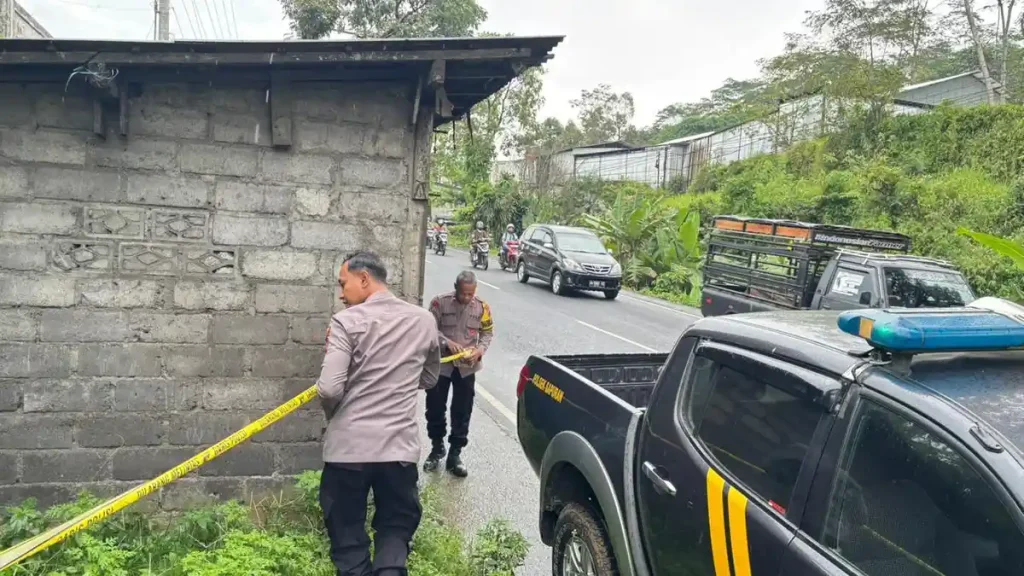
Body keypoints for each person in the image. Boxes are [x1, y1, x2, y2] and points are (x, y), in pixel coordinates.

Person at [317, 251, 441, 576]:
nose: (342, 295)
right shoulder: (424, 320)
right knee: (394, 534)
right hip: (397, 451)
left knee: (348, 542)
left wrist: (336, 416)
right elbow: (429, 378)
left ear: (363, 279)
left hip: (348, 452)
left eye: (343, 285)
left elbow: (329, 388)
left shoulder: (345, 322)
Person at [424, 270, 494, 477]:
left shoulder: (482, 307)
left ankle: (455, 454)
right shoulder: (439, 303)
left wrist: (479, 351)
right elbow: (428, 330)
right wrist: (446, 342)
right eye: (463, 293)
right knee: (435, 407)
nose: (466, 298)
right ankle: (437, 448)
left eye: (470, 294)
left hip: (466, 368)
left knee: (462, 411)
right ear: (456, 287)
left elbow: (487, 332)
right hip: (441, 365)